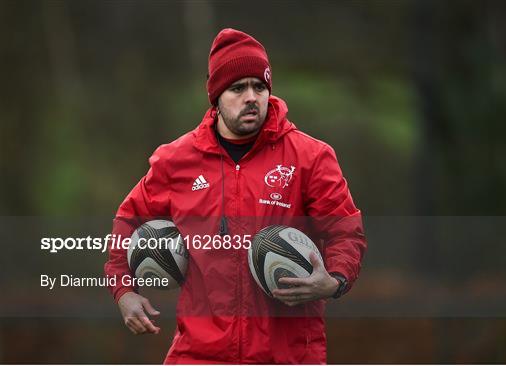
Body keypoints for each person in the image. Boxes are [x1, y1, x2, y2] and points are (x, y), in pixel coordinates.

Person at [105, 28, 366, 364]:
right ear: (216, 95)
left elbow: (345, 232)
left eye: (259, 87)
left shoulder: (310, 157)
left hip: (287, 357)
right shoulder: (175, 161)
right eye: (237, 88)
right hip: (199, 355)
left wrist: (335, 281)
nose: (251, 97)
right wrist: (124, 290)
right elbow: (128, 222)